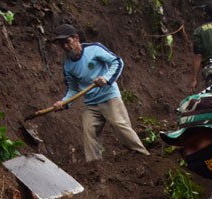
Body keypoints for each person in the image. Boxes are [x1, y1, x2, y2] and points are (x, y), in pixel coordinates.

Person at [50, 24, 150, 162]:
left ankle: (143, 155)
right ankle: (95, 166)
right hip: (92, 104)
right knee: (88, 130)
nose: (66, 47)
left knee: (119, 124)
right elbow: (73, 89)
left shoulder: (94, 49)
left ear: (76, 38)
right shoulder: (68, 65)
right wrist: (64, 102)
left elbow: (117, 62)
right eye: (62, 44)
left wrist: (106, 79)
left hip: (109, 96)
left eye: (67, 41)